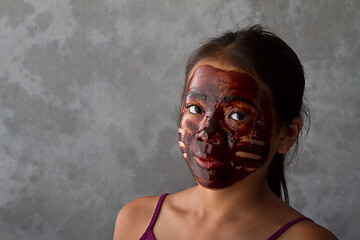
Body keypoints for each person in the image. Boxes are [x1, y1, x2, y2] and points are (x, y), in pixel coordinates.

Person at [113, 25, 338, 240]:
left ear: (287, 134)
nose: (207, 132)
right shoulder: (136, 220)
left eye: (237, 116)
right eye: (196, 109)